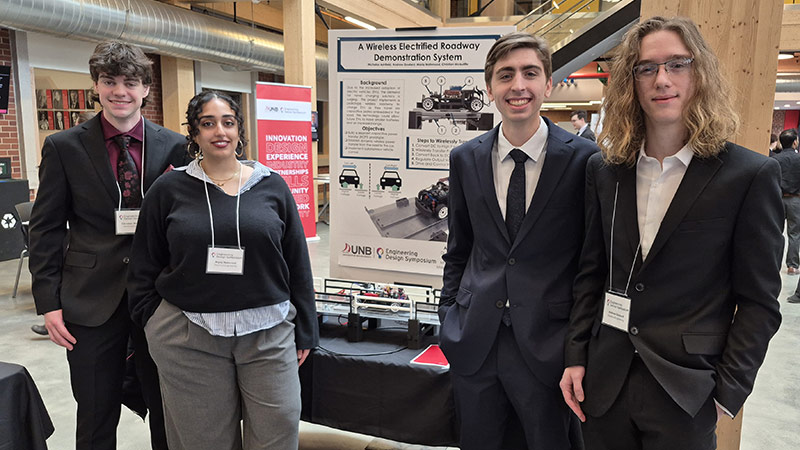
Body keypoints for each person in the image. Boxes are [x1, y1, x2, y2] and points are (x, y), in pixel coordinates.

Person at [560, 16, 783, 450]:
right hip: (604, 383)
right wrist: (575, 356)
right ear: (632, 81)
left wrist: (728, 392)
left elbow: (758, 301)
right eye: (647, 68)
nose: (662, 79)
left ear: (699, 73)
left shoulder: (748, 176)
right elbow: (591, 273)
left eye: (677, 65)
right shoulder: (605, 172)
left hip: (688, 391)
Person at [128, 90, 319, 450]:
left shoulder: (271, 186)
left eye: (228, 122)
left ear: (239, 130)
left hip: (268, 332)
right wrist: (153, 320)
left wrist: (305, 330)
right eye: (208, 123)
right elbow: (143, 264)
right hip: (189, 336)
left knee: (277, 433)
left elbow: (297, 262)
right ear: (194, 133)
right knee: (203, 440)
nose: (220, 131)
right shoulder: (167, 190)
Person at [439, 32, 598, 450]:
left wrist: (578, 346)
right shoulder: (465, 158)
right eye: (505, 75)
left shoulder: (584, 161)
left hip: (548, 347)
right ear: (490, 87)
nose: (518, 85)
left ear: (548, 84)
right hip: (475, 340)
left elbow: (589, 264)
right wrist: (448, 316)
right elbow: (459, 248)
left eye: (530, 73)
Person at [28, 41, 186, 450]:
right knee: (96, 415)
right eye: (109, 81)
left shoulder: (175, 146)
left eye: (130, 82)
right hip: (89, 301)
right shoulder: (64, 147)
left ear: (146, 89)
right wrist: (49, 302)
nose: (120, 91)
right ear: (96, 86)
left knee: (169, 411)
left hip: (159, 301)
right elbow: (46, 229)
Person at [774, 129, 800, 275]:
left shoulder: (774, 160)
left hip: (776, 198)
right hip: (795, 200)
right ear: (795, 142)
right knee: (795, 234)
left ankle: (773, 264)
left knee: (775, 232)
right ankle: (792, 266)